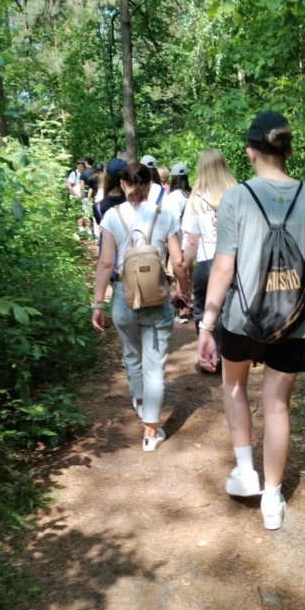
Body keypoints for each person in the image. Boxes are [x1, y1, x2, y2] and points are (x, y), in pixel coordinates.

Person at [197, 110, 305, 530]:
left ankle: (245, 472)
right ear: (288, 151)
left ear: (250, 151)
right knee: (277, 405)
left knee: (234, 385)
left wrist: (206, 324)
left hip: (242, 316)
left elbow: (223, 266)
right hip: (294, 319)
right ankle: (272, 498)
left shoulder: (236, 198)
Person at [91, 162, 189, 451]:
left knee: (132, 356)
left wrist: (97, 304)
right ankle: (150, 432)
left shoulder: (112, 216)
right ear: (149, 185)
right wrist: (183, 291)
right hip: (157, 297)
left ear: (123, 185)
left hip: (124, 297)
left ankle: (140, 402)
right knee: (154, 367)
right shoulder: (165, 214)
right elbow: (178, 261)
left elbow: (105, 263)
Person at [183, 149, 236, 360]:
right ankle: (225, 353)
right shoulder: (237, 194)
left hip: (206, 262)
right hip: (233, 260)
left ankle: (208, 350)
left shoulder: (195, 199)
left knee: (201, 308)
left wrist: (185, 266)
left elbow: (192, 241)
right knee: (227, 310)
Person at [163, 163, 192, 323]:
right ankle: (187, 304)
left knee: (179, 274)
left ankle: (182, 310)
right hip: (193, 242)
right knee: (188, 274)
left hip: (178, 241)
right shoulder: (191, 194)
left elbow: (171, 220)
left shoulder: (172, 197)